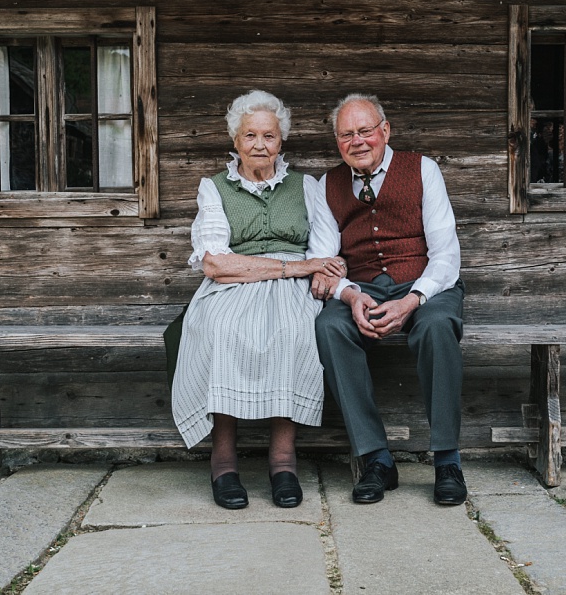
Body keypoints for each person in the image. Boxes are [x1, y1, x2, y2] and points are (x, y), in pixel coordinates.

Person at [172, 90, 345, 510]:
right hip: (234, 284)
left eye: (268, 136)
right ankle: (224, 461)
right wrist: (292, 268)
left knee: (297, 330)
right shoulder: (213, 188)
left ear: (281, 141)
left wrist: (318, 268)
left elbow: (325, 249)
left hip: (293, 287)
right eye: (250, 136)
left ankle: (283, 460)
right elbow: (215, 264)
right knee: (222, 330)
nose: (259, 145)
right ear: (236, 141)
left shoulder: (306, 186)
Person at [308, 93, 467, 505]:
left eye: (365, 131)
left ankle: (448, 459)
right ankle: (376, 457)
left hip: (426, 283)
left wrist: (413, 298)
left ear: (385, 131)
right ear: (337, 141)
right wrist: (349, 295)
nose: (357, 141)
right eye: (346, 134)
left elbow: (447, 255)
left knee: (436, 326)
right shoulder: (328, 185)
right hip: (365, 288)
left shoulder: (422, 169)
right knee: (329, 327)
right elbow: (322, 258)